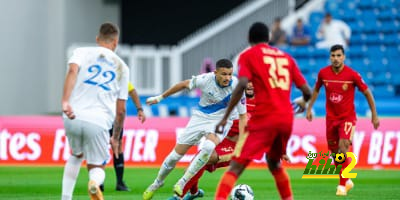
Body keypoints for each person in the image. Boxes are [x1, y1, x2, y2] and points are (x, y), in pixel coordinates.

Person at [214, 22, 312, 200]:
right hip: (286, 119)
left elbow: (242, 84)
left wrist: (225, 117)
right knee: (274, 163)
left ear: (249, 39)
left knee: (235, 166)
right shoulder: (286, 58)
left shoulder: (248, 55)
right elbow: (307, 92)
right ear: (269, 38)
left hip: (265, 118)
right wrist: (305, 103)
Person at [142, 59, 247, 200]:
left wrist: (242, 142)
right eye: (224, 74)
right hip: (200, 118)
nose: (227, 78)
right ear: (215, 73)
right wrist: (160, 97)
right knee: (174, 156)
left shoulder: (237, 87)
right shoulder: (205, 79)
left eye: (229, 74)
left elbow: (242, 116)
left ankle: (183, 181)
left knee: (209, 146)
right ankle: (157, 183)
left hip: (221, 121)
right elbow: (183, 85)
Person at [61, 22, 129, 200]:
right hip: (99, 121)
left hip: (72, 115)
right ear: (115, 42)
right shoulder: (122, 67)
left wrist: (65, 101)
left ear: (97, 39)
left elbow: (72, 71)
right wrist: (115, 137)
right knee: (97, 166)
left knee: (75, 155)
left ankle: (65, 198)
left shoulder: (81, 52)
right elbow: (121, 110)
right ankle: (93, 183)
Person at [305, 44, 380, 196]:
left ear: (344, 57)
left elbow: (367, 93)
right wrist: (309, 108)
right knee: (335, 155)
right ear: (330, 57)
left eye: (339, 55)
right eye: (333, 56)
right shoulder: (323, 73)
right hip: (331, 119)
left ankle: (341, 187)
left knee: (343, 148)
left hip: (347, 118)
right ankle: (347, 180)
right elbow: (316, 90)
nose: (336, 59)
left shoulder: (352, 75)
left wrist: (374, 114)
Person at [168, 82, 256, 200]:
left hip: (238, 147)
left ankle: (177, 198)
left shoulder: (262, 105)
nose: (250, 85)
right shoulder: (233, 96)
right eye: (248, 82)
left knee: (206, 158)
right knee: (191, 169)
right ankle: (194, 193)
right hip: (220, 140)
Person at [100, 82, 146, 192]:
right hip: (102, 116)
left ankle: (119, 182)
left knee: (117, 146)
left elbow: (132, 91)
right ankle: (99, 182)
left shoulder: (118, 75)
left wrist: (139, 109)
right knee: (101, 146)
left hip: (114, 116)